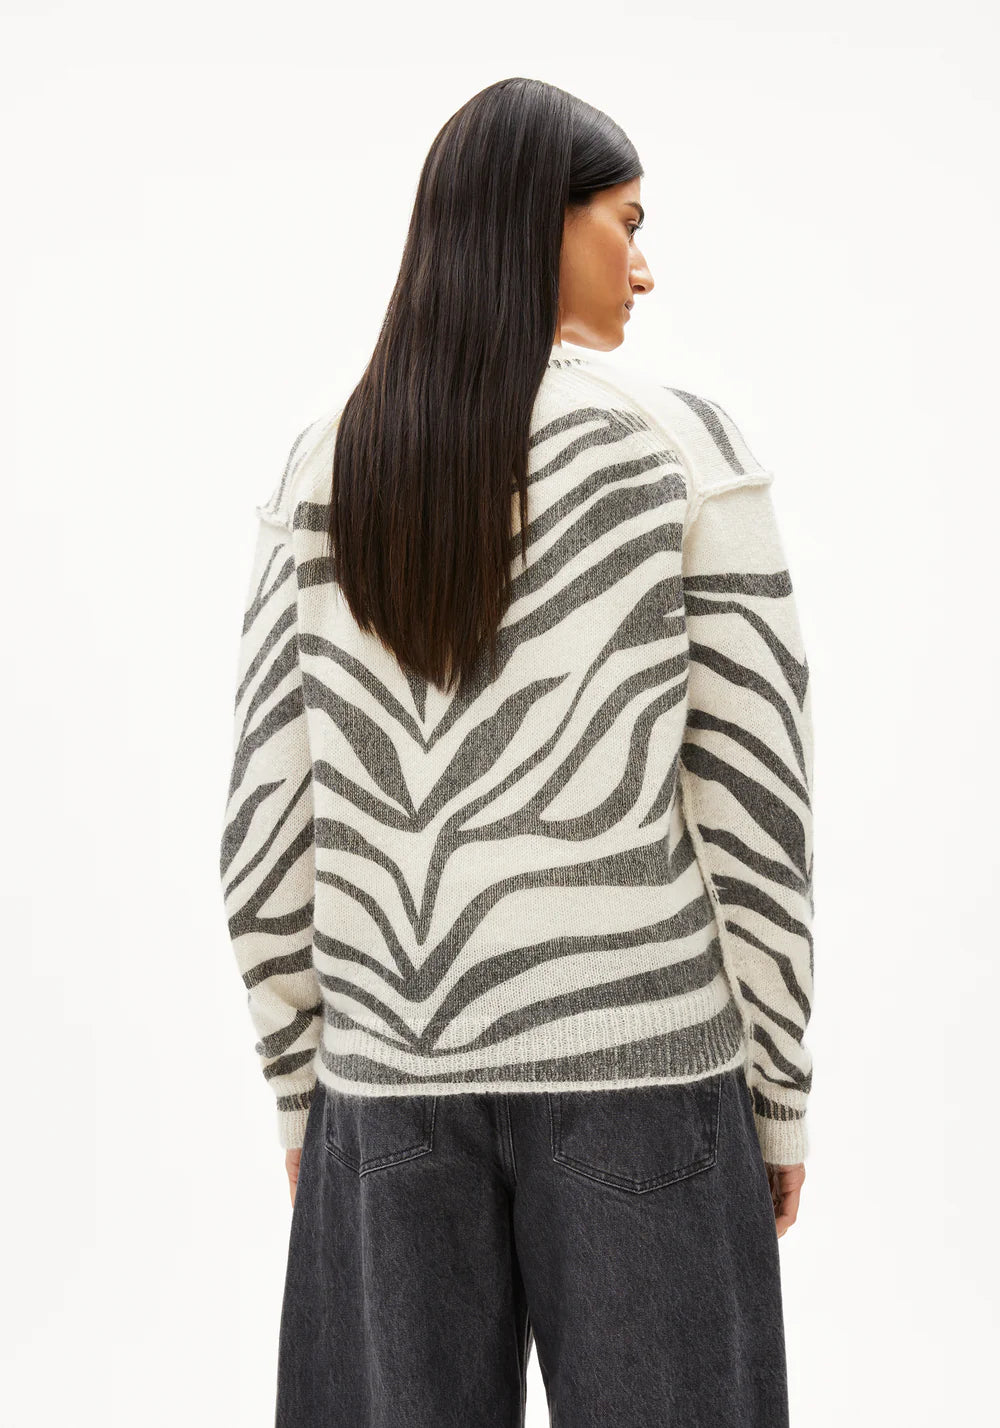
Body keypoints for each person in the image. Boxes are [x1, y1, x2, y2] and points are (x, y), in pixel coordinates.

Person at [218, 76, 814, 1428]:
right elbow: (757, 810)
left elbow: (263, 825)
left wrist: (308, 1091)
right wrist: (777, 1090)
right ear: (540, 224)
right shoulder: (683, 449)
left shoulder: (325, 464)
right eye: (627, 223)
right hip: (647, 1075)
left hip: (389, 1081)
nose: (645, 269)